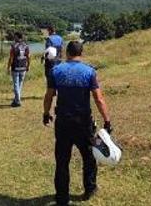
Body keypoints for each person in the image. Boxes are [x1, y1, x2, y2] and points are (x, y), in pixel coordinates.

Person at [43, 41, 112, 206]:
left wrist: (46, 113)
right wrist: (107, 120)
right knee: (88, 156)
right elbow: (99, 98)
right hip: (83, 123)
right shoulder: (89, 71)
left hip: (63, 122)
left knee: (62, 160)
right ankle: (89, 189)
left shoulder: (55, 71)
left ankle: (62, 197)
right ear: (81, 53)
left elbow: (49, 95)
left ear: (67, 53)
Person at [8, 32, 30, 107]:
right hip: (23, 67)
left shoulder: (13, 46)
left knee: (16, 84)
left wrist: (8, 67)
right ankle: (16, 99)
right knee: (20, 84)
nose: (14, 38)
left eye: (15, 36)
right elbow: (28, 57)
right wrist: (28, 66)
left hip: (15, 67)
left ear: (17, 37)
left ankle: (17, 101)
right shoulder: (26, 45)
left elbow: (11, 58)